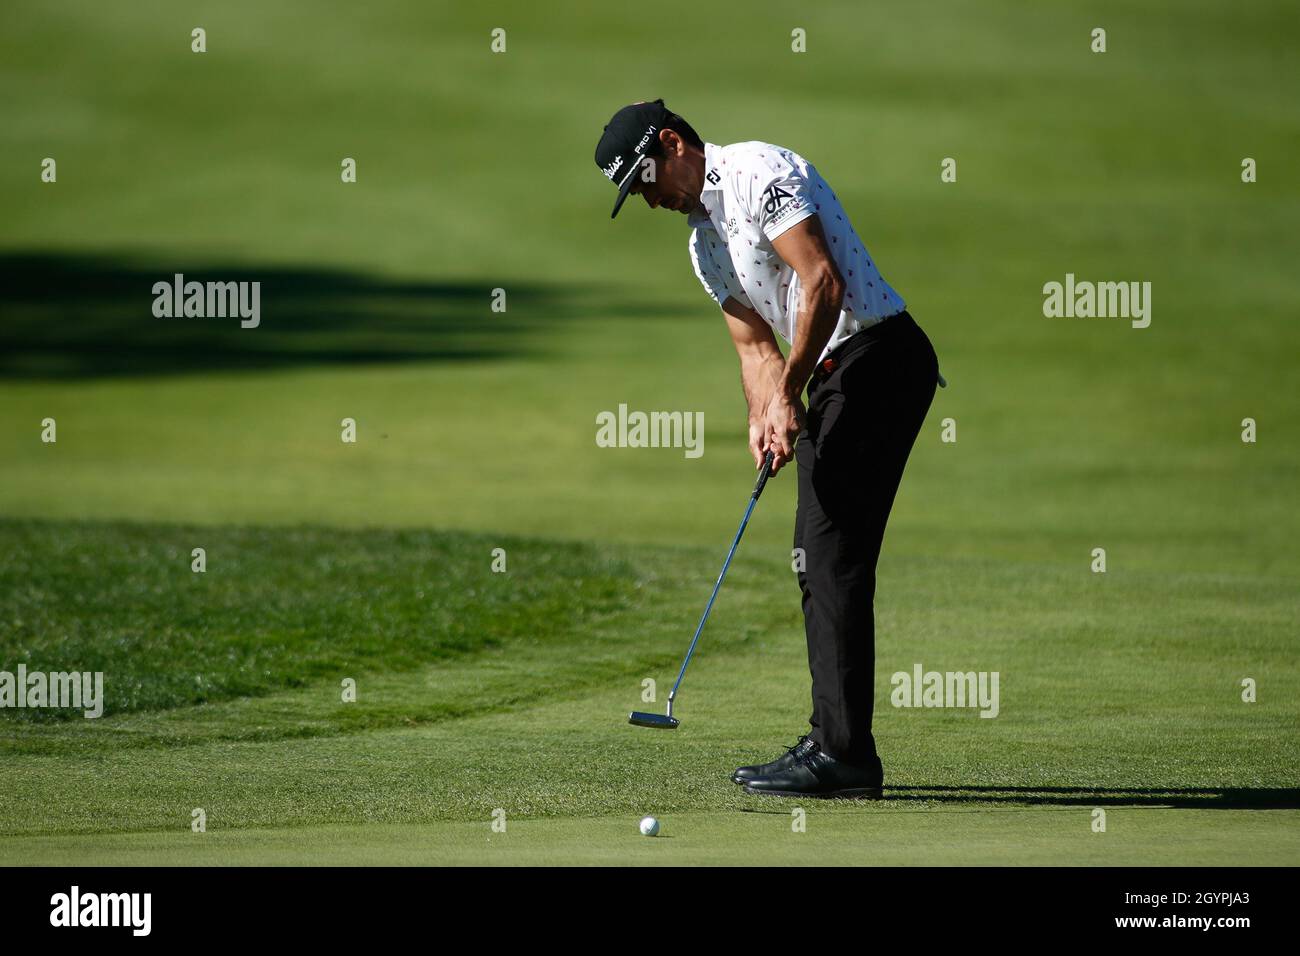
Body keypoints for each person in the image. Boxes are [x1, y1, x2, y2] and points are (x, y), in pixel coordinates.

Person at [595, 99, 941, 798]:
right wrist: (765, 412)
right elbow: (754, 345)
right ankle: (840, 747)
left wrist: (789, 389)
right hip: (836, 373)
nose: (649, 198)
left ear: (673, 143)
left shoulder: (758, 169)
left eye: (646, 179)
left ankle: (842, 755)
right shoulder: (702, 243)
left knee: (828, 552)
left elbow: (822, 282)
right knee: (823, 555)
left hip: (877, 358)